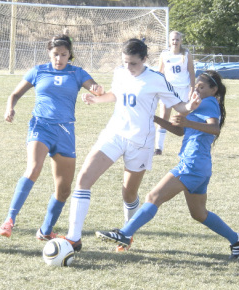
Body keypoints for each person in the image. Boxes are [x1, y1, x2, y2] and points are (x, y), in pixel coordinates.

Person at [61, 38, 201, 252]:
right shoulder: (119, 72)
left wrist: (190, 105)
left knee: (129, 194)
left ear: (145, 59)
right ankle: (73, 238)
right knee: (83, 180)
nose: (129, 67)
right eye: (125, 62)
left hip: (141, 143)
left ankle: (126, 234)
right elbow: (115, 95)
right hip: (114, 135)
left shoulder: (156, 79)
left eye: (133, 63)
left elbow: (179, 107)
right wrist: (96, 99)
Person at [96, 70, 239, 260]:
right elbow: (180, 131)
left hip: (192, 163)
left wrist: (187, 122)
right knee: (199, 214)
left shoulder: (209, 102)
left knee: (153, 196)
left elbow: (214, 128)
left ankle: (125, 234)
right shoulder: (200, 105)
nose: (197, 90)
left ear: (213, 89)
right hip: (200, 166)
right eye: (196, 86)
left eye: (202, 87)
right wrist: (154, 118)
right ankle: (236, 239)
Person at [0, 34, 104, 241]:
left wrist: (96, 91)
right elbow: (14, 95)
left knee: (64, 190)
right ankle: (9, 220)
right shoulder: (38, 71)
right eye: (55, 54)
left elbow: (96, 88)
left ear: (69, 54)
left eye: (64, 55)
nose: (59, 59)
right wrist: (10, 108)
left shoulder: (77, 72)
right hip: (41, 126)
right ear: (49, 53)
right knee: (33, 169)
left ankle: (45, 231)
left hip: (65, 132)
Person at [154, 31, 195, 155]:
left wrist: (192, 87)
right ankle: (158, 148)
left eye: (177, 39)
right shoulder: (164, 54)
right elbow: (160, 72)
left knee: (182, 119)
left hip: (183, 89)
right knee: (164, 118)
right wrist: (158, 87)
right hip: (168, 90)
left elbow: (191, 72)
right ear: (169, 41)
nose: (175, 42)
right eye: (172, 39)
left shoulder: (186, 54)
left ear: (180, 40)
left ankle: (185, 147)